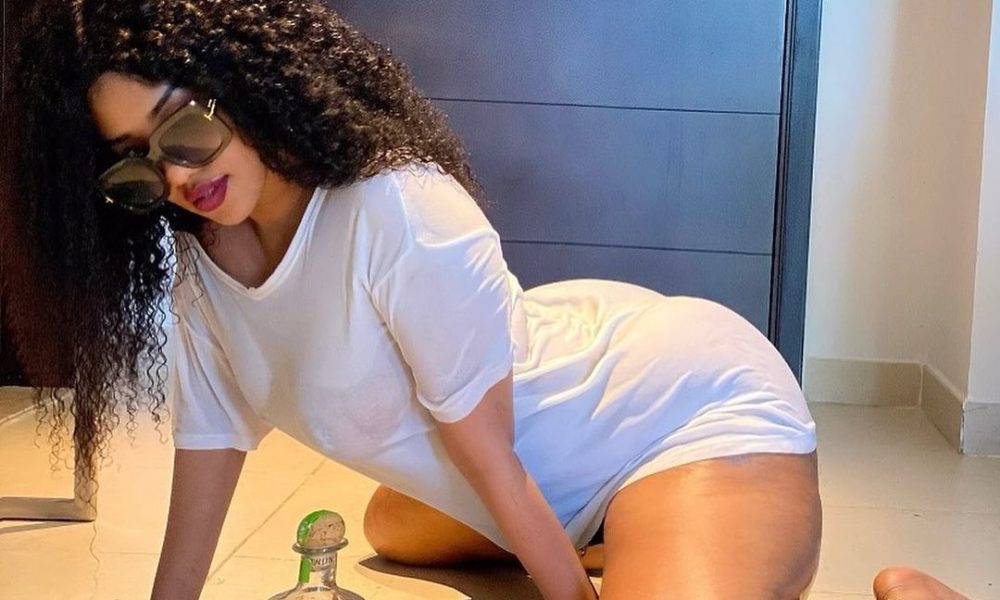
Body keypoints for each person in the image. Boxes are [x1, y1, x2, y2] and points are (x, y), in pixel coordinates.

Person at [0, 1, 973, 599]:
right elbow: (208, 459)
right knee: (390, 527)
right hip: (546, 450)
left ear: (244, 85)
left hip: (682, 413)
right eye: (134, 163)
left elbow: (495, 462)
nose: (176, 176)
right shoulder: (203, 268)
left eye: (184, 129)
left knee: (502, 487)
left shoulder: (394, 208)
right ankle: (622, 539)